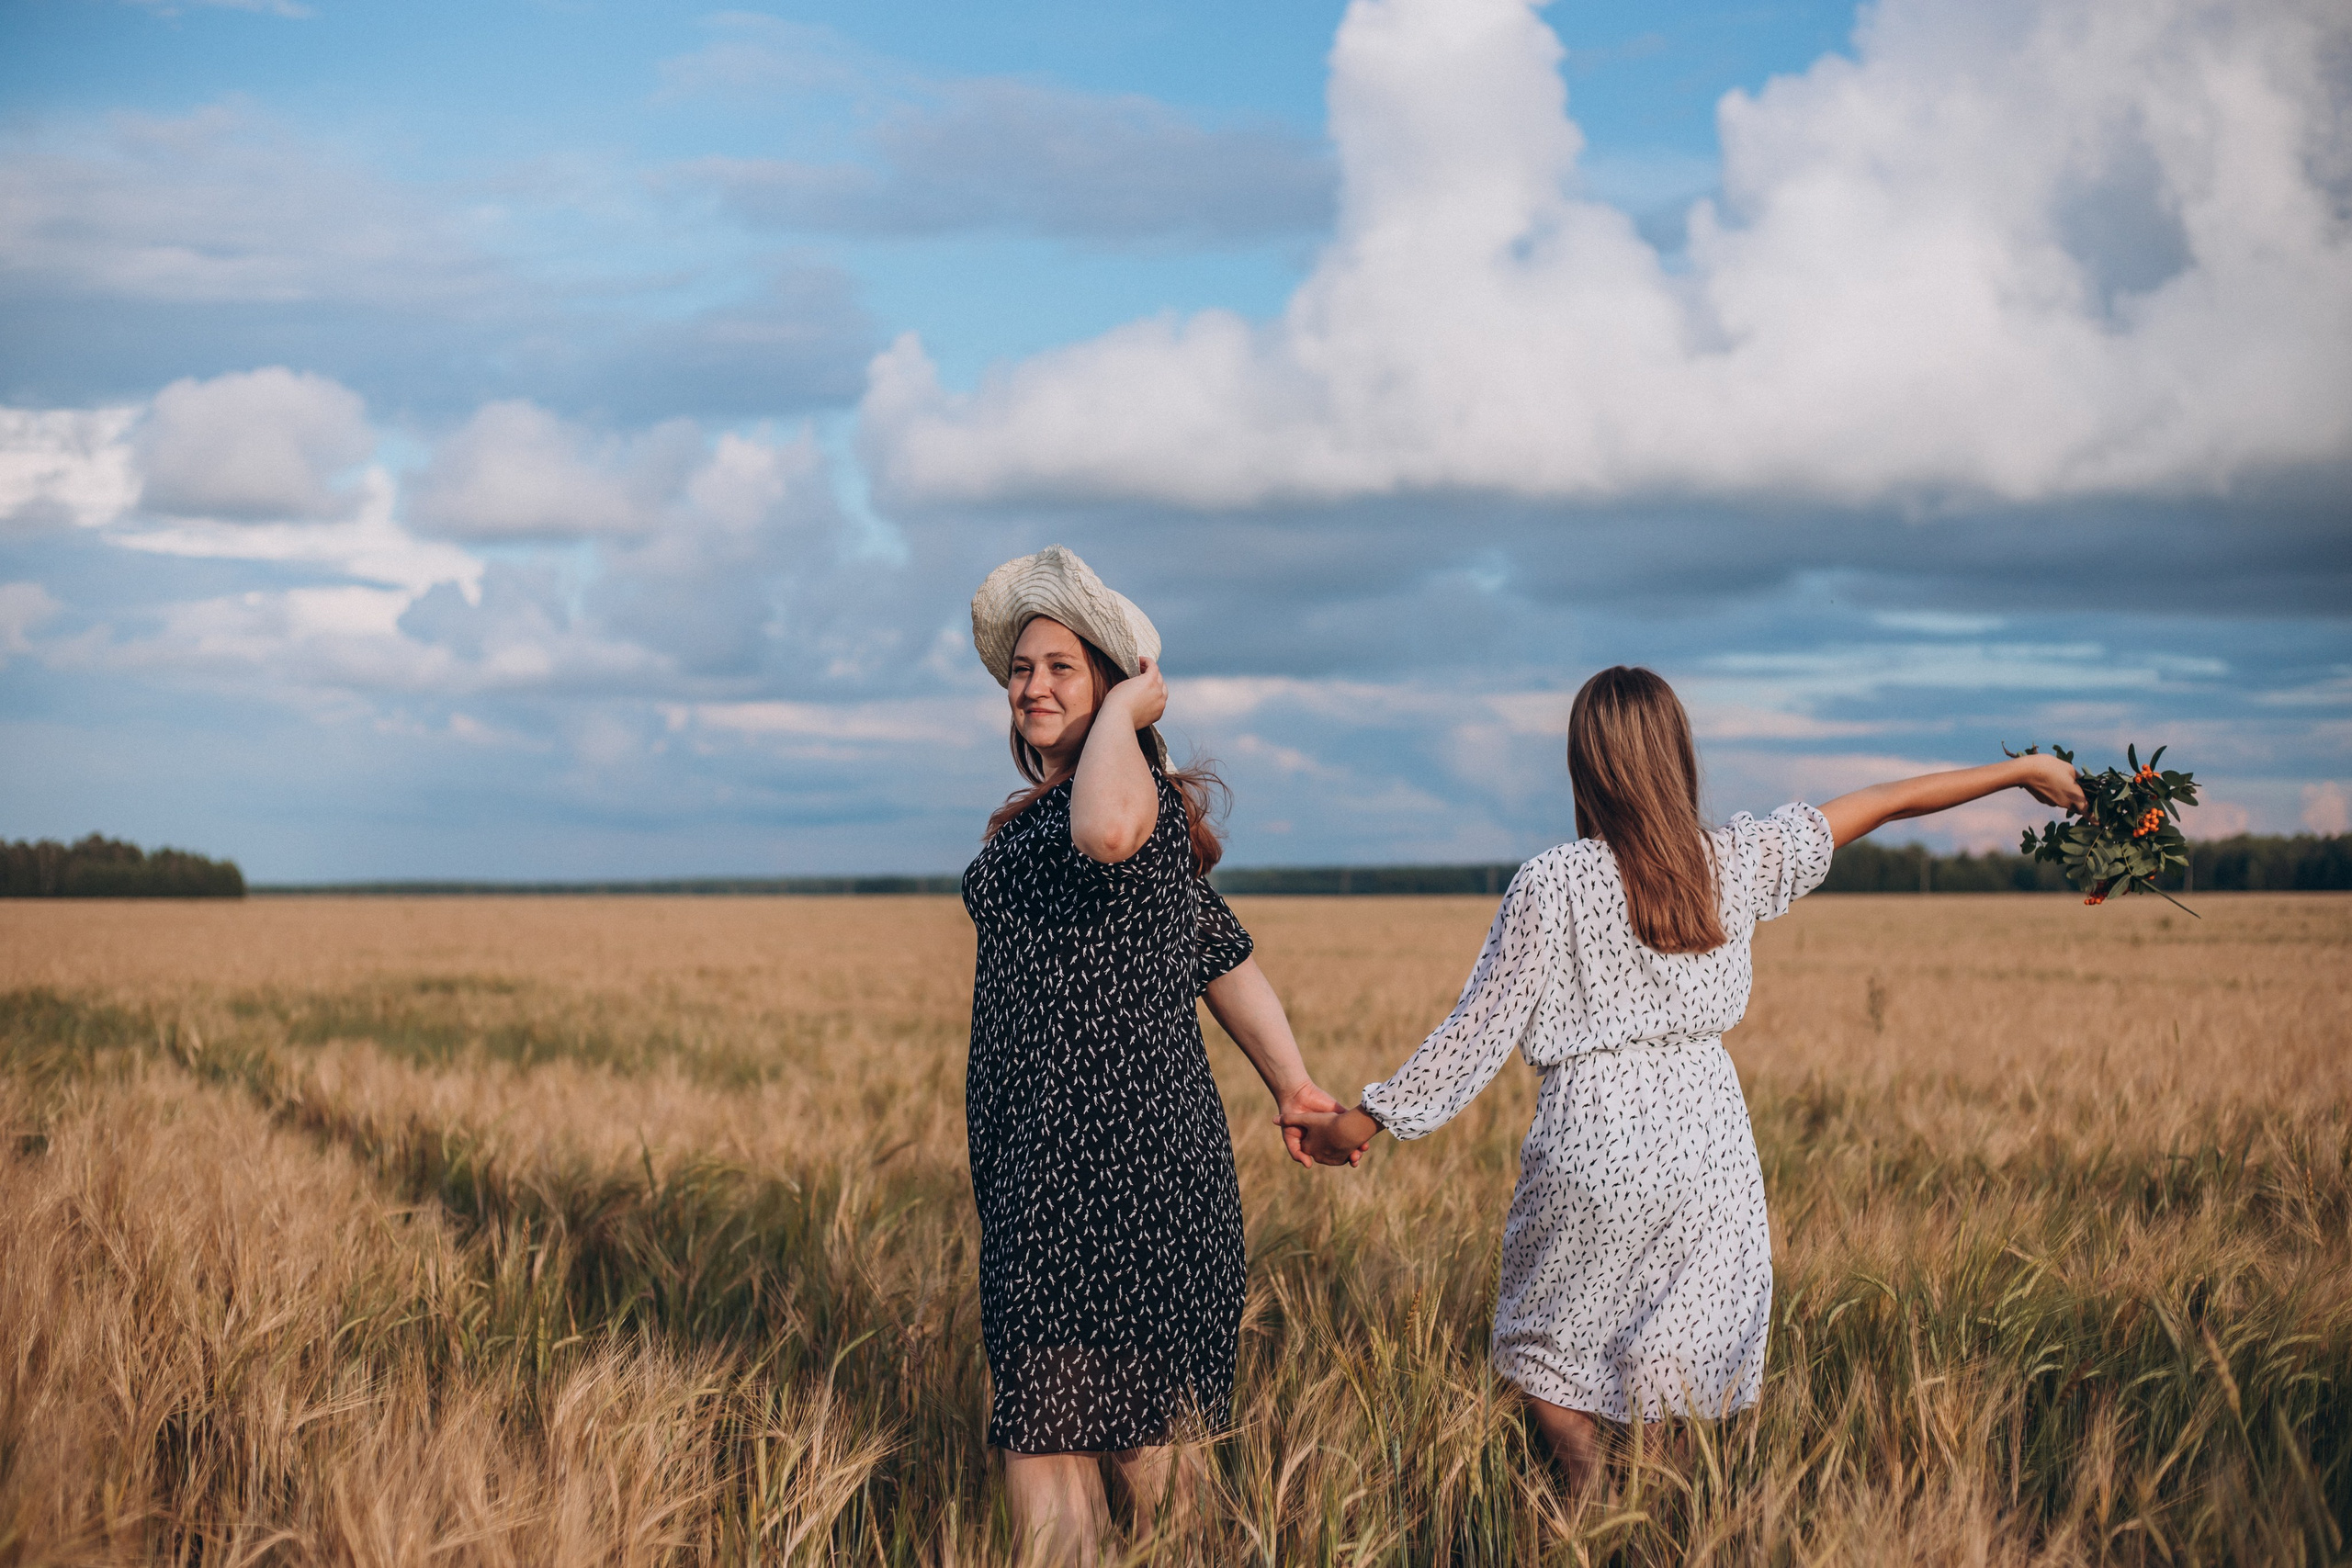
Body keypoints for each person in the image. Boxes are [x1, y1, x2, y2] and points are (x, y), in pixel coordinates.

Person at [1291, 665, 2086, 1491]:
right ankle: (1656, 1514)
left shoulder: (1553, 879)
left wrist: (1363, 1120)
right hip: (1708, 1148)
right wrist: (2023, 769)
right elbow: (1884, 799)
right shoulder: (1732, 861)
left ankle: (1585, 1485)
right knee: (1677, 1371)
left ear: (1585, 766)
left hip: (1588, 1143)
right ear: (1678, 758)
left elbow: (1475, 1034)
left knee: (1541, 1349)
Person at [960, 546, 1349, 1565]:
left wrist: (1129, 713)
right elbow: (1222, 959)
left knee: (1150, 1460)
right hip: (1036, 1176)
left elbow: (1106, 827)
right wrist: (1293, 1082)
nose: (1032, 685)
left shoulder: (1122, 809)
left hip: (1129, 1177)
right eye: (1020, 669)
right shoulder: (1049, 818)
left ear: (1116, 681)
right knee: (1051, 1439)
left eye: (1061, 668)